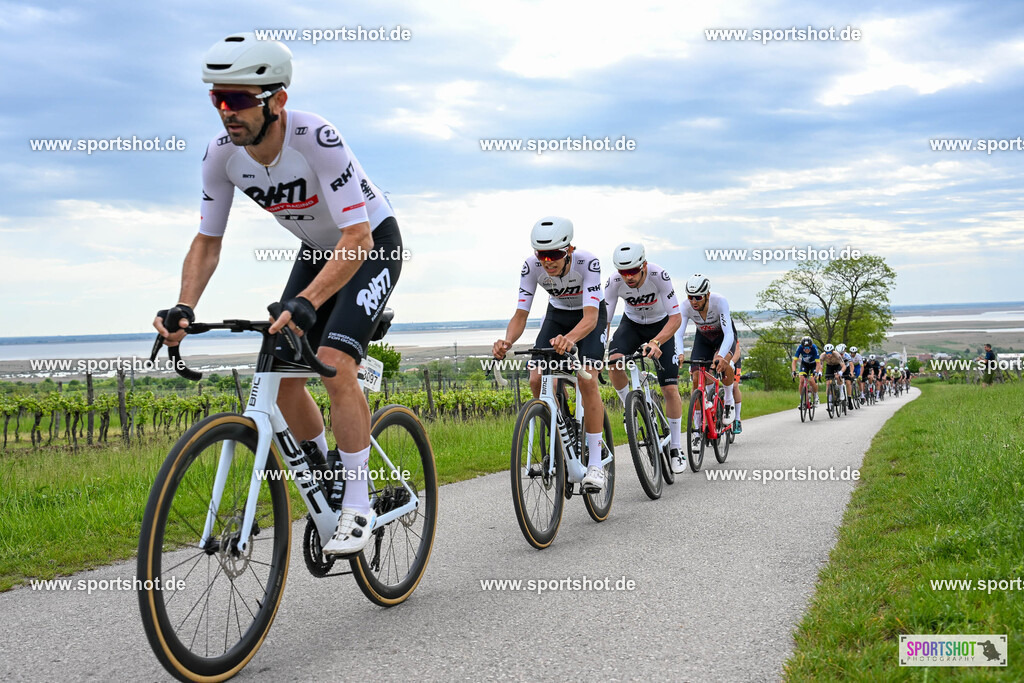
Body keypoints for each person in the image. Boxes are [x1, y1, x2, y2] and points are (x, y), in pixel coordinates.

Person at [154, 33, 402, 557]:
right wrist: (184, 306)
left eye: (239, 99)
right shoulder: (222, 156)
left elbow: (356, 239)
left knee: (333, 361)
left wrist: (308, 302)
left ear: (277, 101)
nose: (227, 111)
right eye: (217, 99)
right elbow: (207, 241)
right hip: (317, 250)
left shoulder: (317, 138)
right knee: (283, 372)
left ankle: (356, 504)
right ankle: (327, 475)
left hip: (372, 243)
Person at [492, 217, 609, 491]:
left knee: (587, 380)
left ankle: (595, 464)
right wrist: (507, 341)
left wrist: (569, 340)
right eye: (541, 254)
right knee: (536, 379)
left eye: (554, 254)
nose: (547, 261)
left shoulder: (587, 262)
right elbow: (521, 314)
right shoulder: (531, 267)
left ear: (569, 249)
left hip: (587, 318)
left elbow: (591, 318)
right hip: (556, 316)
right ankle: (562, 427)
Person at [604, 242, 685, 473]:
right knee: (614, 363)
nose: (628, 277)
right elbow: (605, 321)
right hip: (632, 325)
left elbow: (676, 318)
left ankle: (676, 448)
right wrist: (597, 351)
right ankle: (630, 410)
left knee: (669, 389)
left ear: (644, 265)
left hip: (662, 326)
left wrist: (657, 341)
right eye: (623, 272)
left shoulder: (659, 275)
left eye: (632, 271)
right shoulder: (614, 282)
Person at [676, 274, 737, 453]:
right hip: (703, 338)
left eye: (698, 297)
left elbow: (729, 334)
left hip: (723, 337)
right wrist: (680, 353)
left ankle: (728, 401)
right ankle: (696, 431)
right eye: (690, 297)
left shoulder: (720, 302)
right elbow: (679, 334)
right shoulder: (685, 307)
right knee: (696, 379)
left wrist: (722, 356)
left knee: (724, 365)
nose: (693, 301)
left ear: (707, 295)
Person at [791, 336, 821, 405]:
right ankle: (802, 400)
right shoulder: (799, 348)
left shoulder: (814, 348)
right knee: (801, 379)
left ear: (811, 346)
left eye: (808, 348)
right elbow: (794, 361)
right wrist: (793, 371)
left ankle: (816, 397)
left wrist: (816, 372)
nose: (806, 350)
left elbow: (818, 363)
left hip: (813, 365)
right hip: (805, 364)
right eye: (805, 348)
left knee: (812, 380)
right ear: (802, 347)